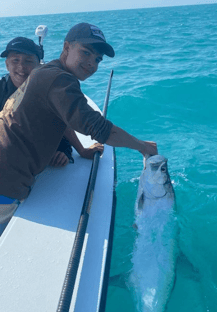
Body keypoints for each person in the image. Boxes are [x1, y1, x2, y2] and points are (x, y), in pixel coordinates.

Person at [0, 22, 157, 229]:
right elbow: (99, 129)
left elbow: (59, 118)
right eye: (85, 52)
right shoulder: (59, 79)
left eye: (97, 59)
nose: (91, 63)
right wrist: (143, 147)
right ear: (66, 48)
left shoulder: (46, 71)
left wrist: (80, 149)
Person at [0, 36, 100, 168]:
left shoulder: (50, 87)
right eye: (15, 60)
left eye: (28, 61)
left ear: (38, 65)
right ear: (7, 65)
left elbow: (62, 121)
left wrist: (69, 149)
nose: (21, 67)